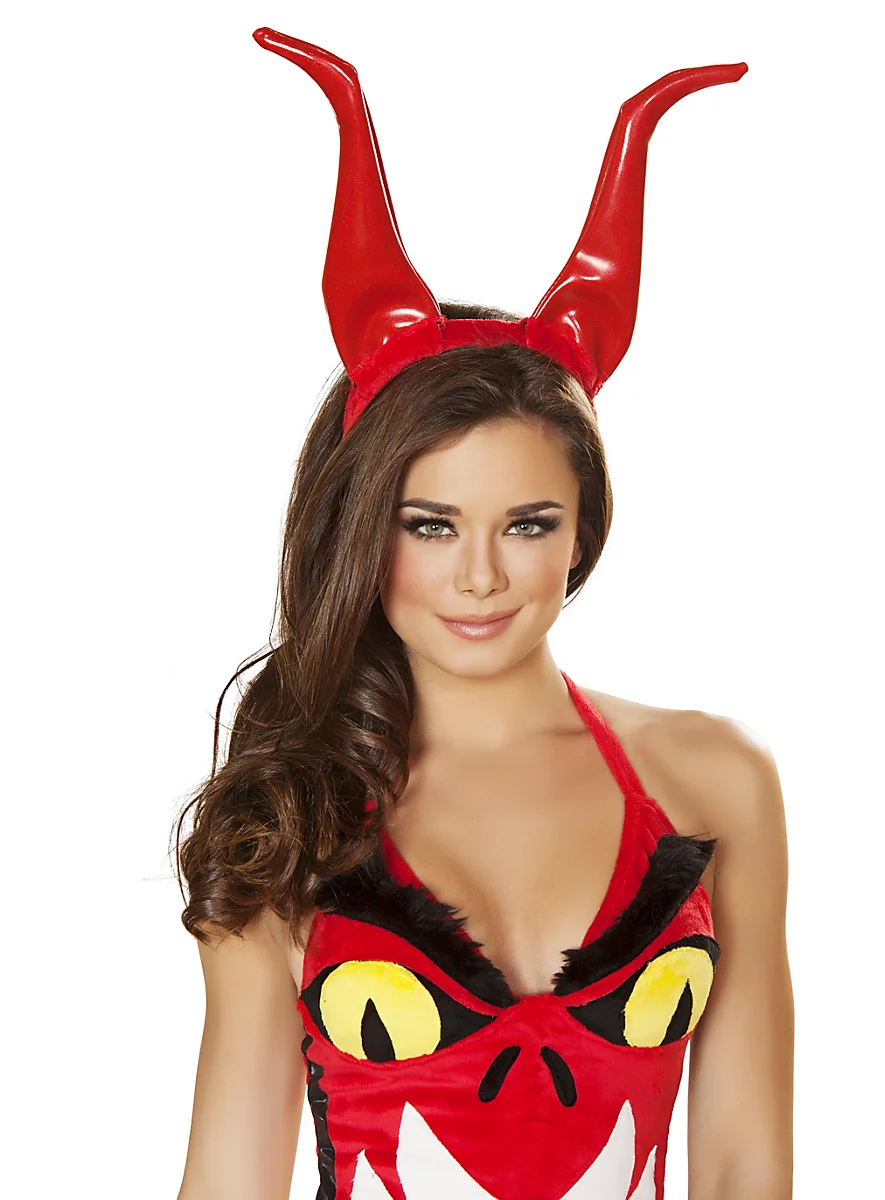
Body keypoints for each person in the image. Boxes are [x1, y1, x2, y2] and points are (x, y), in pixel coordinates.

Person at [174, 28, 793, 1200]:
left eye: (526, 524)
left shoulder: (714, 782)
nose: (479, 578)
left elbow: (745, 1166)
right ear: (361, 529)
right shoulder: (290, 808)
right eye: (429, 525)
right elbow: (229, 1183)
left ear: (582, 530)